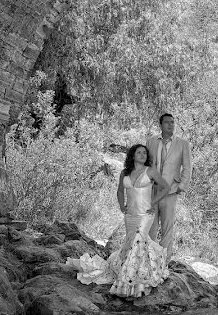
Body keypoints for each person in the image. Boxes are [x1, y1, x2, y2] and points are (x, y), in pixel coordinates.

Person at [71, 144, 170, 298]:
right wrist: (121, 206)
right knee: (132, 244)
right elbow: (119, 191)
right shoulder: (125, 173)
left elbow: (165, 187)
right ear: (132, 155)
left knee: (139, 241)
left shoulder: (150, 171)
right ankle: (137, 272)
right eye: (139, 152)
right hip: (130, 215)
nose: (143, 155)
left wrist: (154, 203)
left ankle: (133, 283)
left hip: (145, 215)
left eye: (145, 153)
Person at [146, 112, 192, 254]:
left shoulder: (183, 144)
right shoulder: (151, 141)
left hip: (171, 191)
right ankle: (148, 261)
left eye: (172, 122)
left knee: (167, 228)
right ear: (160, 125)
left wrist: (181, 186)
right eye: (167, 122)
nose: (171, 125)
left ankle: (164, 263)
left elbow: (187, 166)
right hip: (152, 190)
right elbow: (146, 164)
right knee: (150, 227)